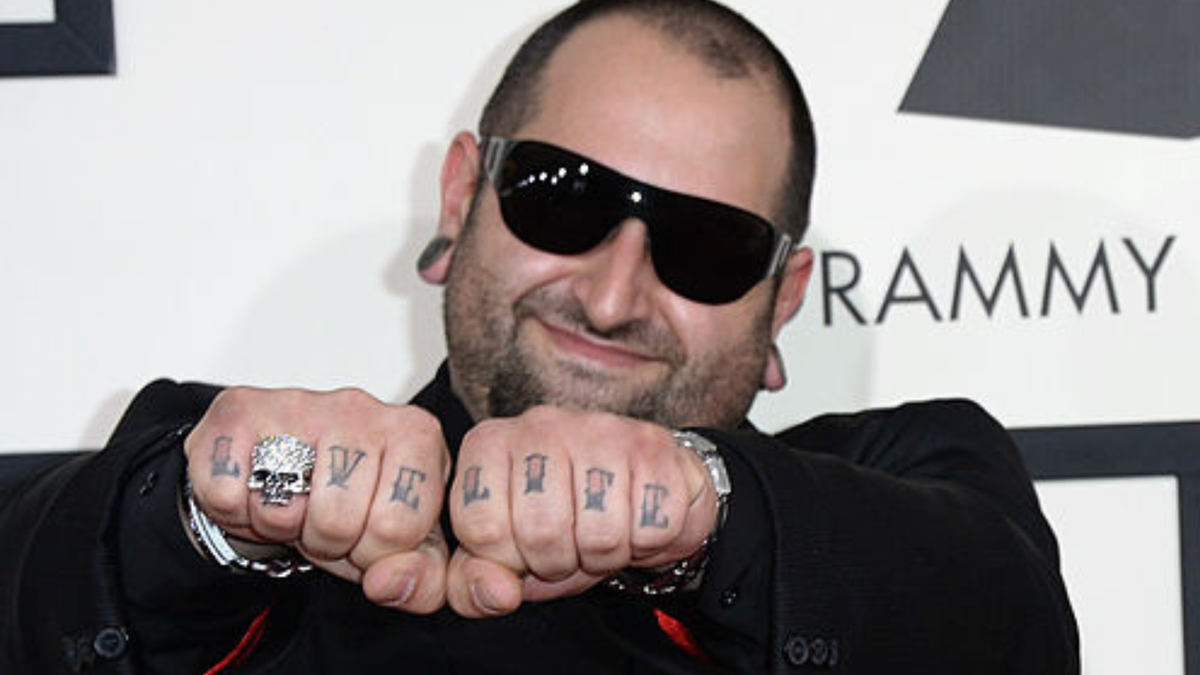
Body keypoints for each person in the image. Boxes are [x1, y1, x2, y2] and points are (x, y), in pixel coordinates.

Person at [0, 0, 1079, 673]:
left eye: (706, 247)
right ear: (464, 192)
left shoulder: (915, 484)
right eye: (561, 200)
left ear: (781, 296)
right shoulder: (230, 509)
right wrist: (206, 519)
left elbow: (1008, 630)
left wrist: (696, 508)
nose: (613, 296)